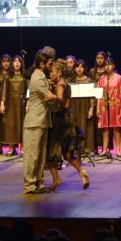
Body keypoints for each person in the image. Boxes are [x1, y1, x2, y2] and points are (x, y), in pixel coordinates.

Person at [46, 59, 90, 191]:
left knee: (51, 151)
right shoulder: (64, 82)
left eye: (52, 71)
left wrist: (51, 96)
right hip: (67, 120)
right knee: (68, 154)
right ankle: (82, 172)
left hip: (59, 121)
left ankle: (56, 180)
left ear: (59, 72)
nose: (50, 73)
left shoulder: (60, 85)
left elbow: (60, 98)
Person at [22, 52, 56, 194]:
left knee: (41, 156)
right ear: (42, 65)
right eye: (49, 64)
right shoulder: (38, 78)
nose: (51, 66)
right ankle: (30, 185)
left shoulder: (41, 77)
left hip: (41, 120)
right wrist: (58, 96)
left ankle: (39, 183)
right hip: (34, 122)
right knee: (32, 156)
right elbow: (50, 98)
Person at [97, 57, 121, 158]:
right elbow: (99, 93)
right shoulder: (101, 78)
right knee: (104, 128)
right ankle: (104, 149)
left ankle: (118, 150)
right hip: (104, 106)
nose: (107, 67)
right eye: (106, 65)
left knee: (116, 128)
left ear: (113, 66)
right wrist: (97, 107)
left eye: (109, 65)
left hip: (116, 106)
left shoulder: (119, 77)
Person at [70, 59, 96, 155]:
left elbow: (92, 97)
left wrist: (91, 108)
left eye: (81, 67)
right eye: (77, 67)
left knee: (87, 127)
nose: (79, 69)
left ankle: (87, 150)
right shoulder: (71, 80)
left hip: (86, 106)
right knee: (75, 126)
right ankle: (75, 150)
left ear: (84, 69)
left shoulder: (89, 80)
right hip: (74, 106)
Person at [2, 55, 25, 157]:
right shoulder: (8, 76)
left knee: (22, 125)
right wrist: (2, 103)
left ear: (21, 64)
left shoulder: (24, 76)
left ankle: (22, 148)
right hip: (11, 105)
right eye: (14, 61)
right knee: (11, 125)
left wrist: (28, 103)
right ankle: (11, 148)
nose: (16, 63)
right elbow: (4, 91)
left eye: (18, 61)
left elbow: (28, 90)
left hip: (22, 104)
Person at [0, 54, 12, 155]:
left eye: (8, 61)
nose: (6, 63)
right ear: (1, 63)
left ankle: (11, 147)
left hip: (10, 103)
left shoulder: (12, 74)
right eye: (4, 61)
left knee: (9, 125)